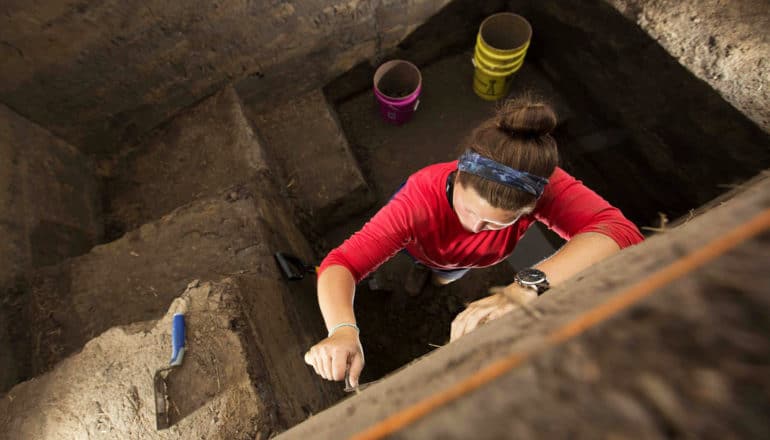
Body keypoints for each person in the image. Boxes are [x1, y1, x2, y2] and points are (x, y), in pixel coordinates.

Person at [303, 96, 643, 388]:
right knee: (425, 262)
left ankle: (438, 279)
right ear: (458, 176)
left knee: (450, 273)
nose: (476, 227)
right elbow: (342, 263)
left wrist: (525, 286)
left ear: (530, 208)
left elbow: (622, 233)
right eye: (467, 210)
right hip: (422, 244)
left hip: (468, 261)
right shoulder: (418, 201)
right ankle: (424, 272)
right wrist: (343, 331)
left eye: (499, 222)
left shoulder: (543, 184)